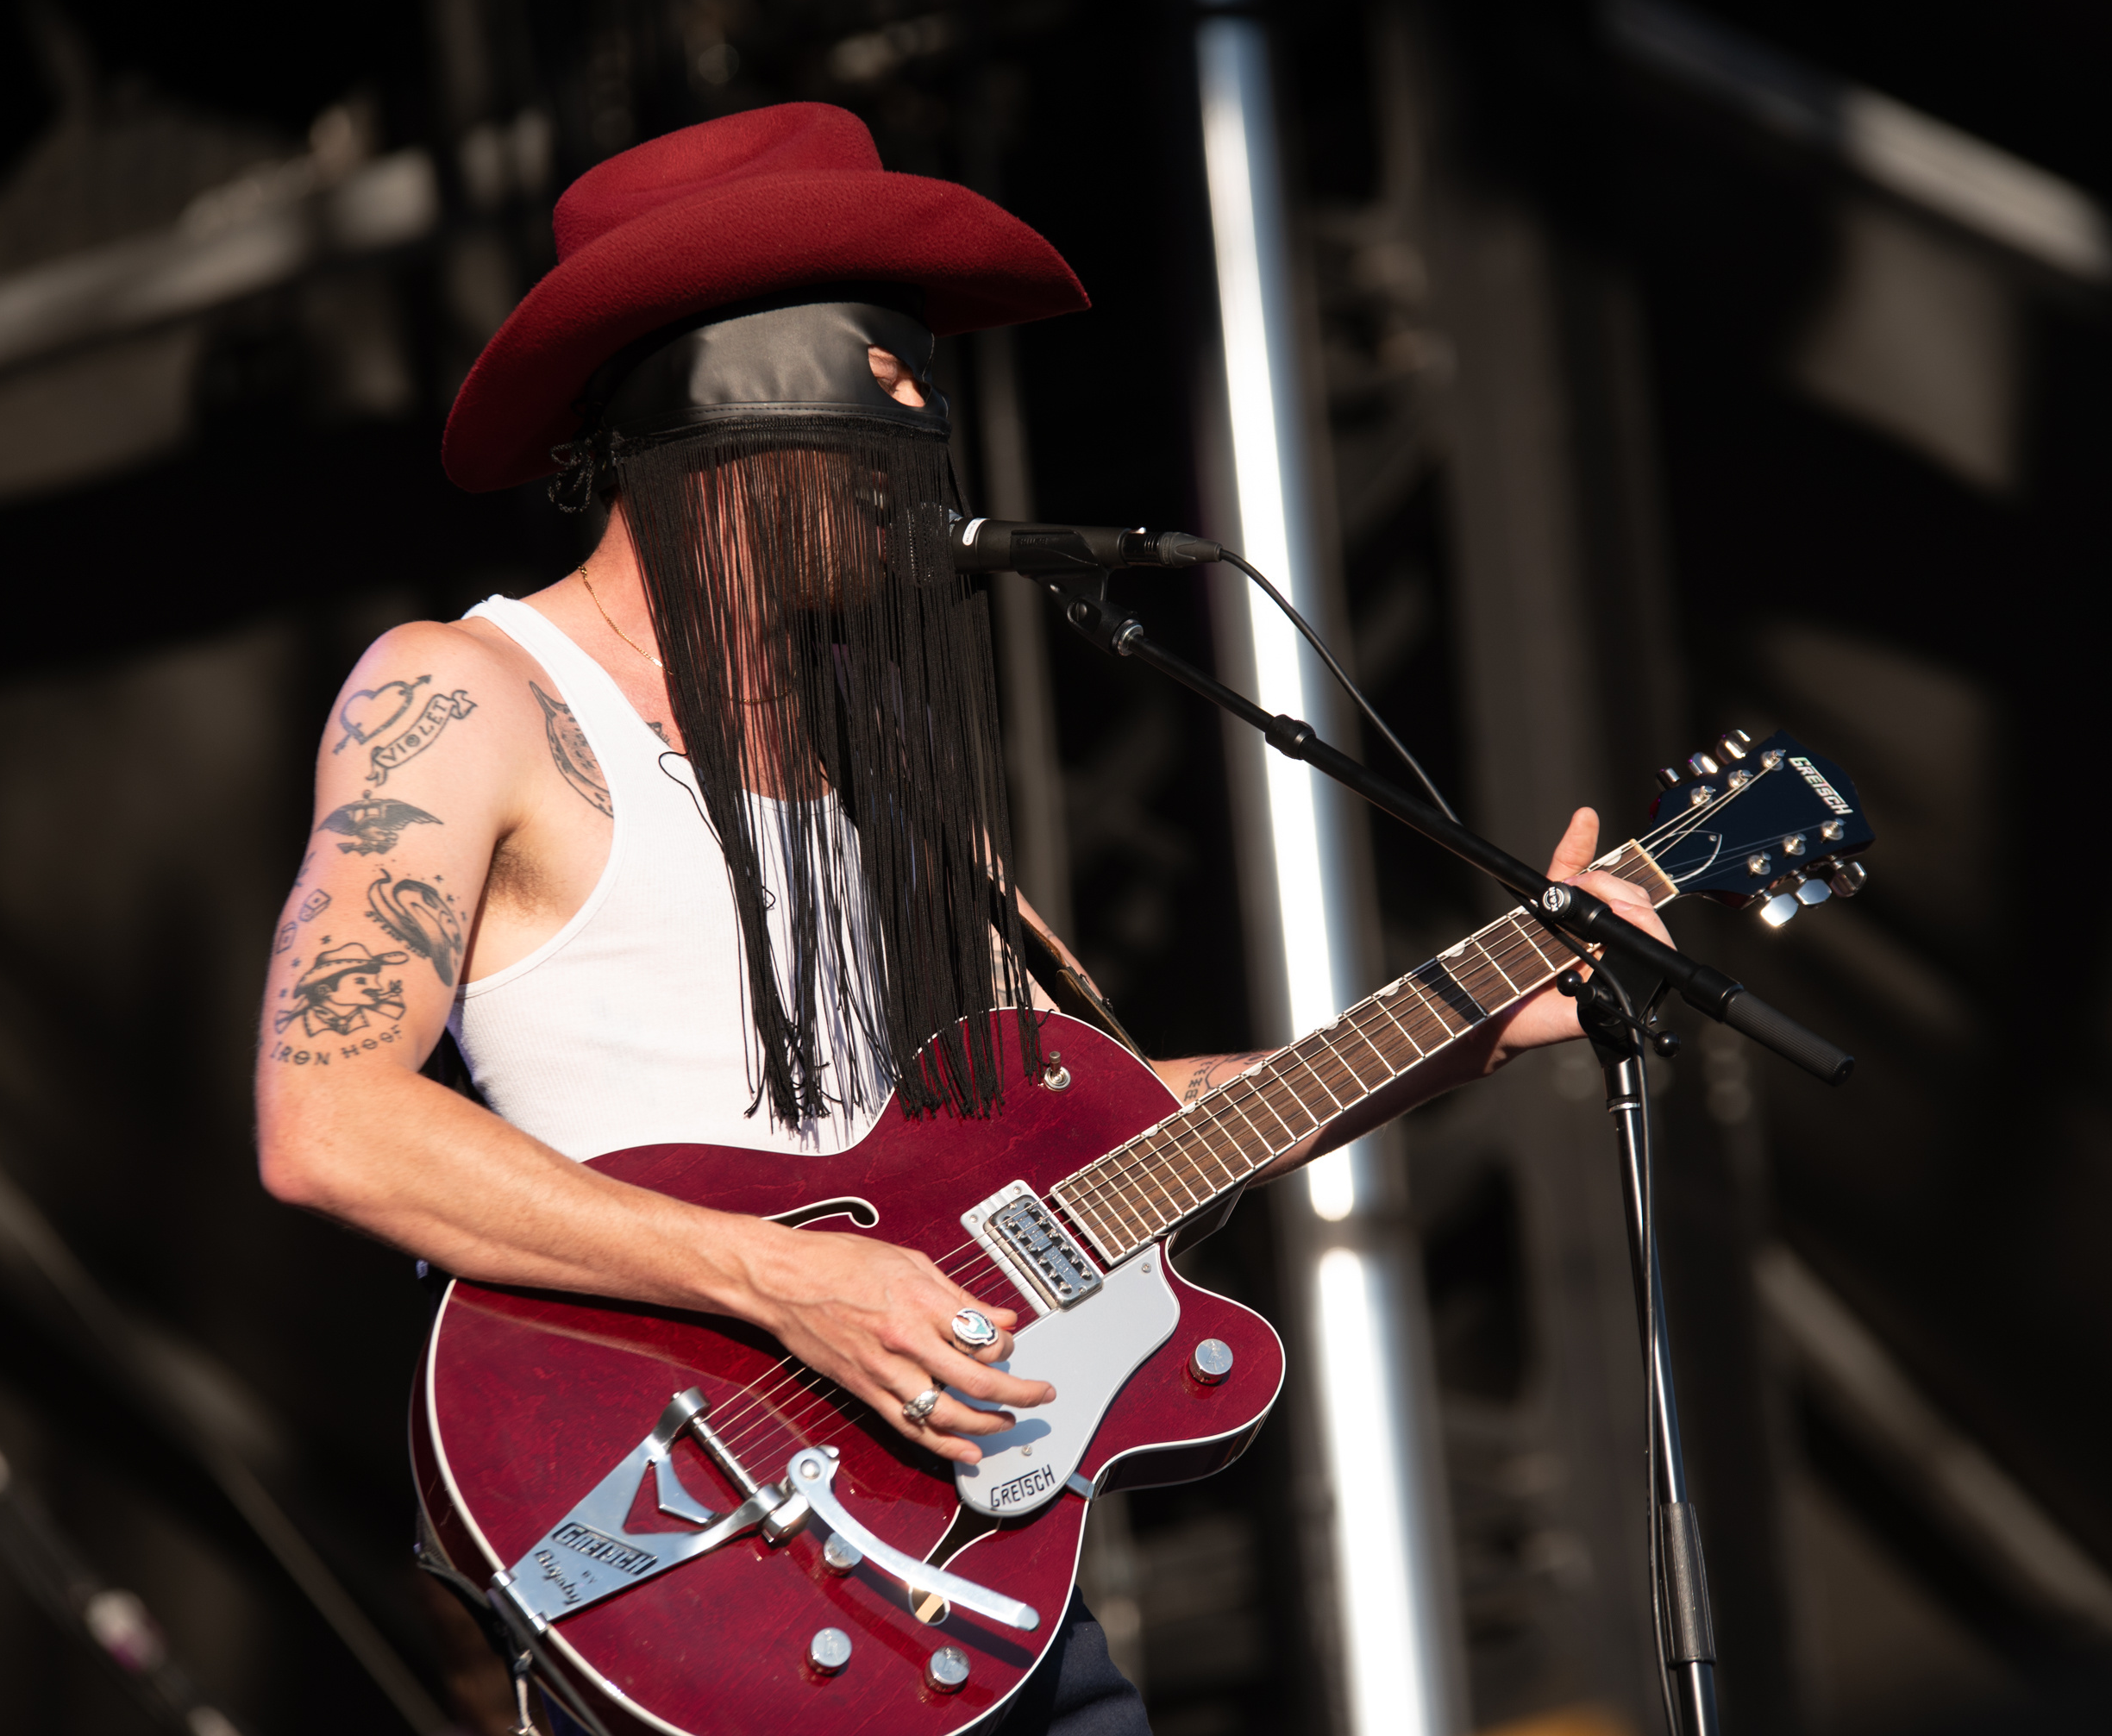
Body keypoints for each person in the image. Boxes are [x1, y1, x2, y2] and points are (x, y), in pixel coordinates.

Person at [253, 103, 1668, 1734]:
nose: (916, 470)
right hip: (692, 1543)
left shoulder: (873, 759)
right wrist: (788, 1285)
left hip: (972, 1574)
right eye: (878, 427)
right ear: (733, 429)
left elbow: (1108, 1134)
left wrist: (1472, 1021)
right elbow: (329, 1122)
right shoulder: (470, 695)